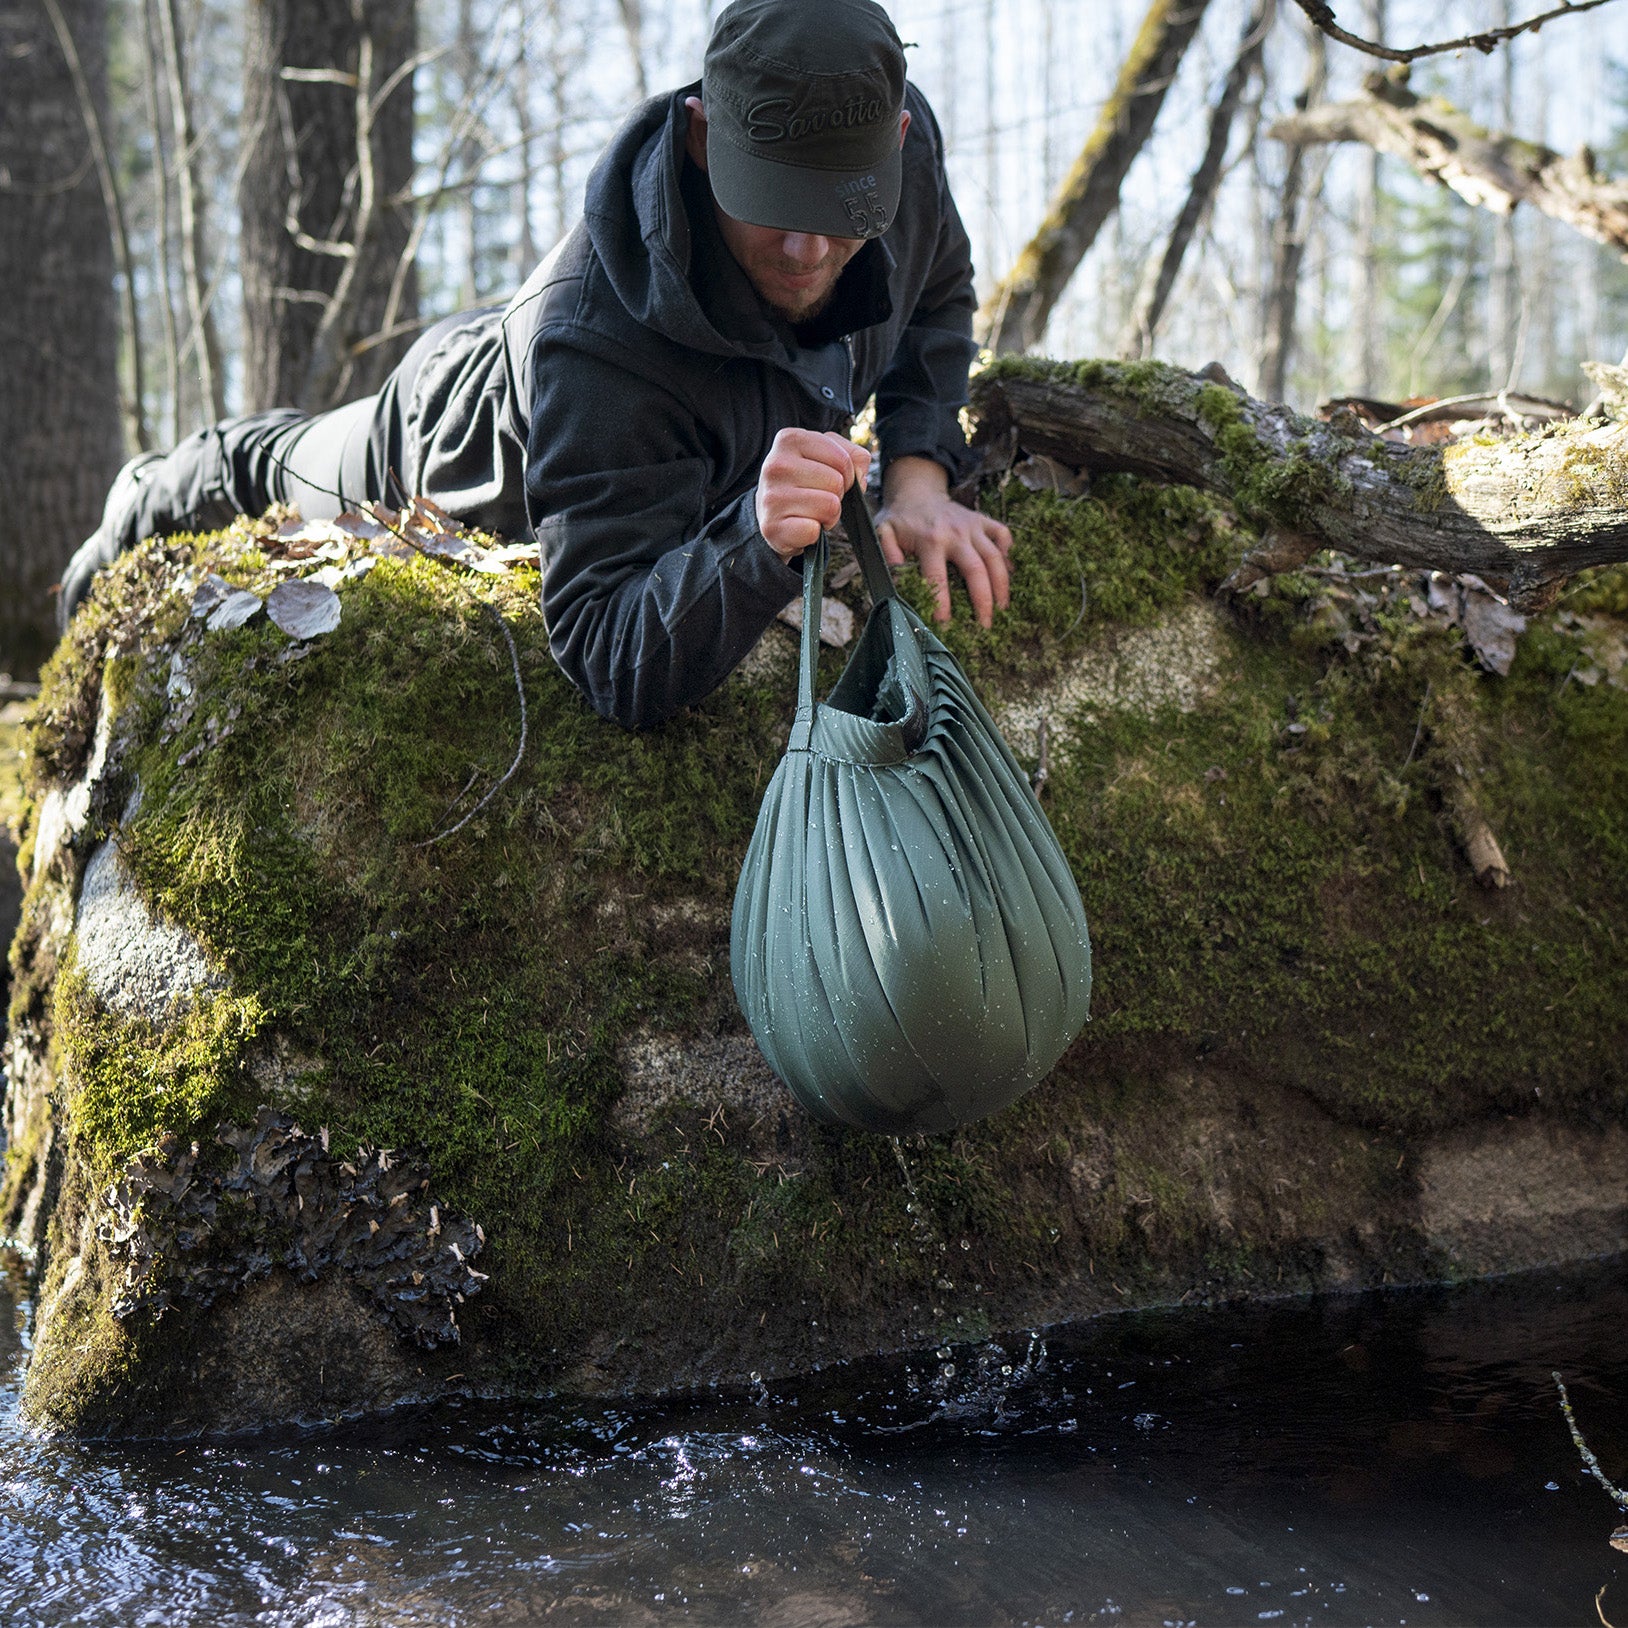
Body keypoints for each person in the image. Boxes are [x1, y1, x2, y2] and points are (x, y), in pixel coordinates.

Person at [59, 0, 1011, 729]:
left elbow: (935, 295)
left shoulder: (898, 162)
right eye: (771, 202)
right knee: (275, 467)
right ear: (702, 136)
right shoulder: (592, 347)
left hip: (548, 357)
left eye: (838, 210)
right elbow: (604, 649)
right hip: (459, 433)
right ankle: (140, 499)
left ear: (894, 144)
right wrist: (752, 544)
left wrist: (919, 479)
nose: (806, 250)